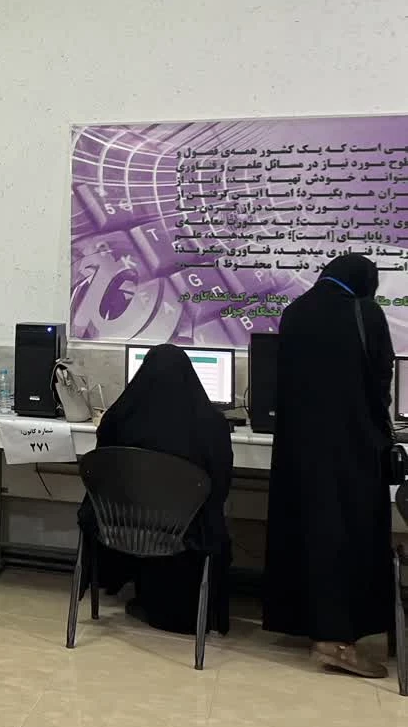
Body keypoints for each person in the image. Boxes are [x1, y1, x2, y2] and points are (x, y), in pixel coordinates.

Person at [264, 253, 397, 677]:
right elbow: (380, 377)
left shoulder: (294, 313)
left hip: (298, 451)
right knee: (347, 536)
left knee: (307, 532)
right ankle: (337, 641)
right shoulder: (364, 313)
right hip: (350, 450)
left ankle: (311, 624)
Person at [84, 343, 234, 635]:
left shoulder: (118, 418)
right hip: (187, 533)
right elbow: (221, 485)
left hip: (123, 526)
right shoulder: (212, 425)